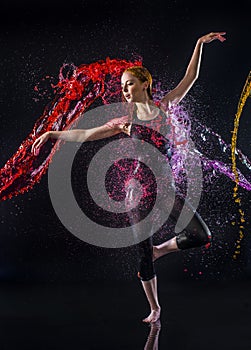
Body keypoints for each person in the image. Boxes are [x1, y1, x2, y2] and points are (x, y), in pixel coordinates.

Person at [31, 31, 226, 323]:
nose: (124, 91)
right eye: (122, 87)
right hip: (137, 194)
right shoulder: (125, 121)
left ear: (145, 84)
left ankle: (162, 249)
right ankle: (155, 308)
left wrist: (199, 44)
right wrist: (52, 133)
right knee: (143, 255)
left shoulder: (165, 107)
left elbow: (190, 79)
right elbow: (85, 133)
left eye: (129, 84)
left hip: (166, 190)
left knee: (201, 235)